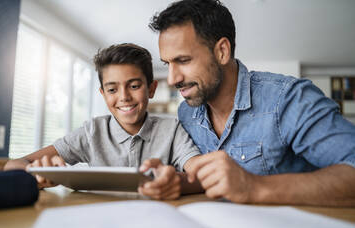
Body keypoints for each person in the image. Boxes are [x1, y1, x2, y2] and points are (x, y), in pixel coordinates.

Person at [149, 0, 355, 206]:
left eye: (183, 61)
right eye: (167, 64)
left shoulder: (288, 99)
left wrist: (255, 187)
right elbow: (208, 180)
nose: (172, 79)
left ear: (222, 51)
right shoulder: (187, 113)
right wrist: (177, 182)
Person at [4, 43, 202, 200]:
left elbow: (200, 175)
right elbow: (13, 165)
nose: (124, 97)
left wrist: (175, 181)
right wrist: (33, 173)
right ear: (103, 94)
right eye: (112, 89)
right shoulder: (92, 132)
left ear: (151, 89)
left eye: (134, 86)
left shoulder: (172, 129)